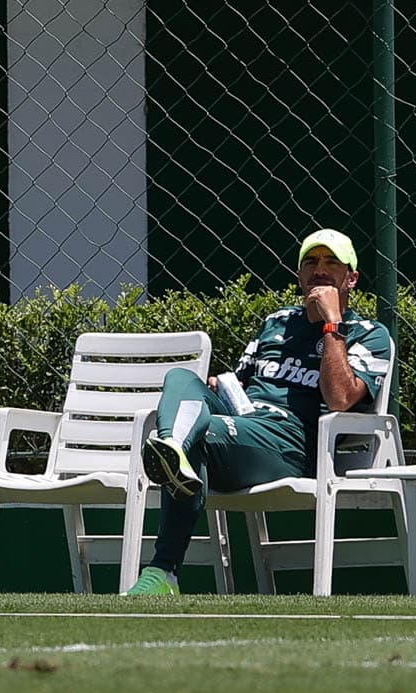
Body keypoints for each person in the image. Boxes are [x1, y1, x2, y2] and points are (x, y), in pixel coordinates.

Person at [126, 228, 392, 595]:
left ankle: (162, 570)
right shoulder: (276, 323)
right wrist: (222, 387)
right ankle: (174, 450)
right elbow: (241, 382)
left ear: (352, 278)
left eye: (332, 262)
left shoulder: (369, 333)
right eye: (311, 262)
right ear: (299, 275)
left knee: (198, 437)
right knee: (181, 379)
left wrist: (333, 323)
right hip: (245, 425)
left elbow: (340, 399)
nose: (319, 270)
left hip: (290, 444)